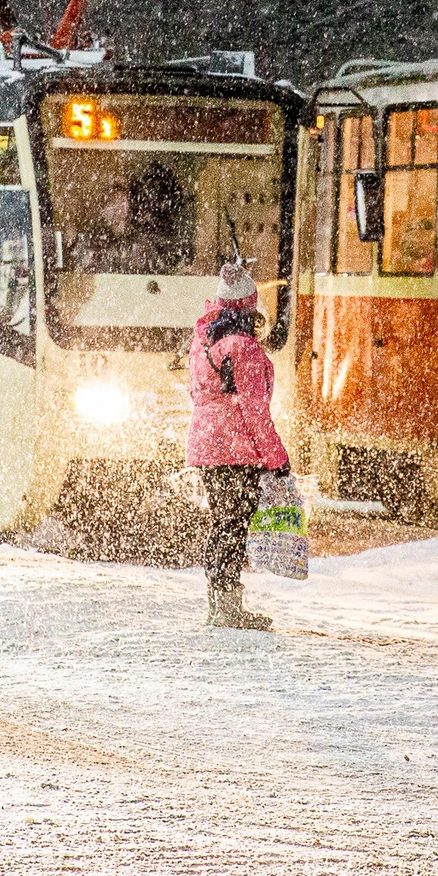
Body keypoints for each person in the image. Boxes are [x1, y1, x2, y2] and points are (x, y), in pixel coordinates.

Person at [187, 261, 290, 631]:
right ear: (250, 309)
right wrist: (277, 459)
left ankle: (218, 602)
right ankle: (229, 607)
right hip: (235, 450)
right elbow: (254, 411)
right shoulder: (243, 349)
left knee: (221, 523)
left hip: (207, 448)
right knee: (234, 526)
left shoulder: (202, 343)